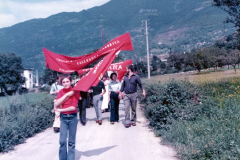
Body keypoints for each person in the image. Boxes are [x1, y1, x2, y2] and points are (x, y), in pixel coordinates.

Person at [53, 74, 80, 160]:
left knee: (71, 142)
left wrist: (59, 110)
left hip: (72, 117)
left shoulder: (75, 91)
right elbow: (56, 103)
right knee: (62, 141)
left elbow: (73, 107)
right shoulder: (61, 92)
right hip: (64, 118)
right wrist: (67, 94)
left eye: (67, 81)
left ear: (71, 82)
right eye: (63, 82)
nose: (65, 84)